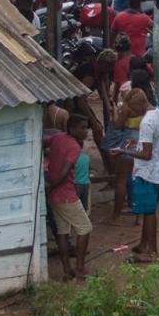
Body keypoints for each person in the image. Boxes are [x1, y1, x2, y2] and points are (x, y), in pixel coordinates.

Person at [121, 89, 159, 262]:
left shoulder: (146, 122)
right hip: (158, 169)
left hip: (148, 172)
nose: (132, 113)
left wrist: (123, 151)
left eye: (132, 109)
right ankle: (143, 243)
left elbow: (146, 154)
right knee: (149, 210)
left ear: (139, 105)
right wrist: (138, 143)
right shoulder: (158, 113)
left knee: (149, 212)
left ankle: (152, 252)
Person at [45, 113, 93, 279]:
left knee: (63, 232)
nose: (86, 131)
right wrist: (51, 185)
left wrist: (49, 186)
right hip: (66, 194)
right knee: (85, 228)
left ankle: (67, 270)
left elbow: (43, 142)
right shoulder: (74, 146)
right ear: (72, 128)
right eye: (82, 128)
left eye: (86, 127)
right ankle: (80, 268)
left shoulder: (58, 138)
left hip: (54, 196)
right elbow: (65, 171)